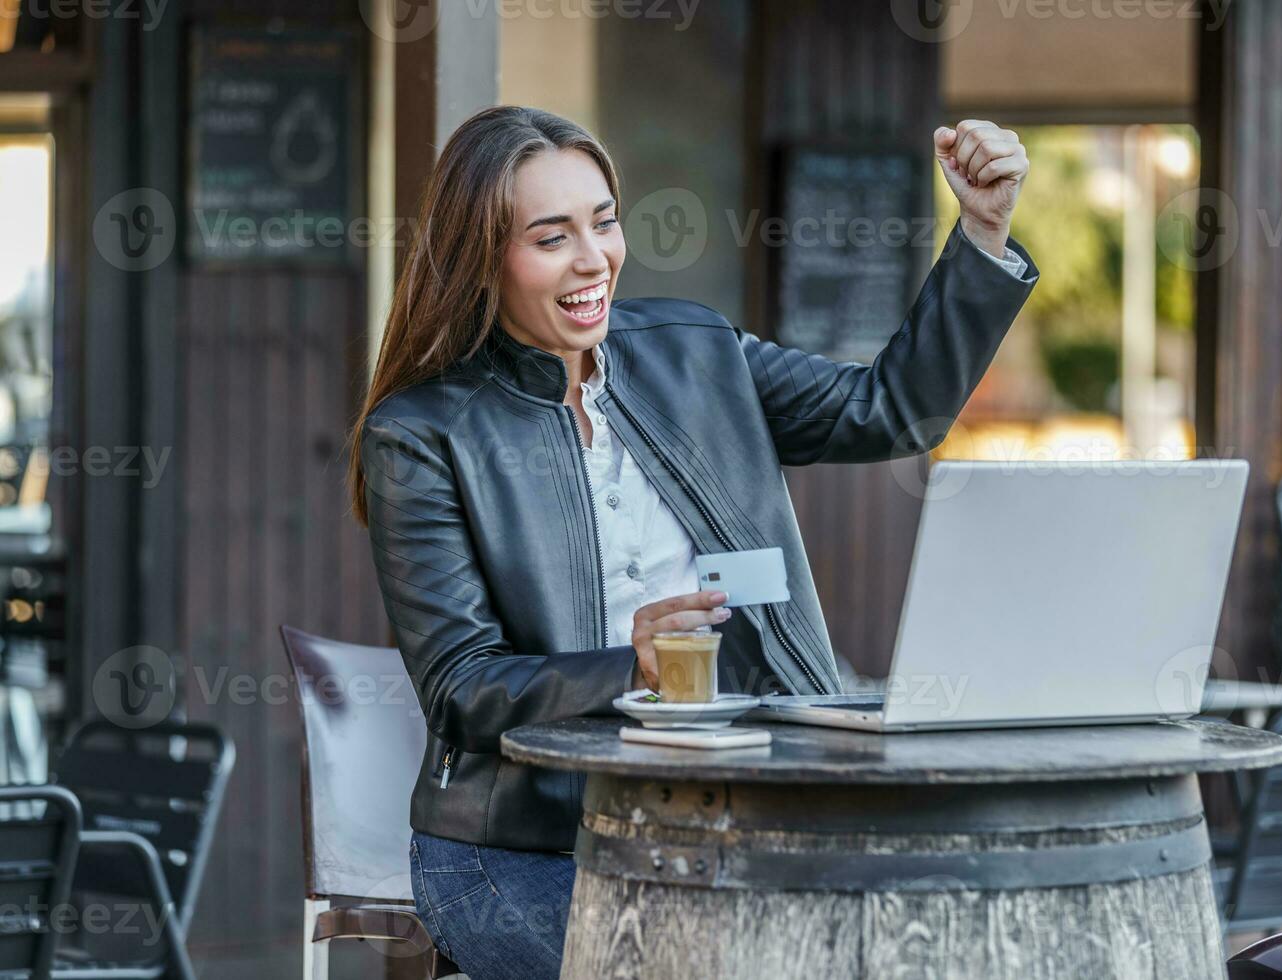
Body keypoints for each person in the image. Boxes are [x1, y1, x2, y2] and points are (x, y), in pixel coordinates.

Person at [347, 105, 1037, 979]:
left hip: (740, 817)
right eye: (551, 237)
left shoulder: (695, 352)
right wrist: (631, 664)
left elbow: (894, 410)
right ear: (483, 257)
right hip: (523, 848)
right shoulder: (422, 433)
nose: (594, 259)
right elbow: (461, 689)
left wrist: (981, 231)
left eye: (603, 223)